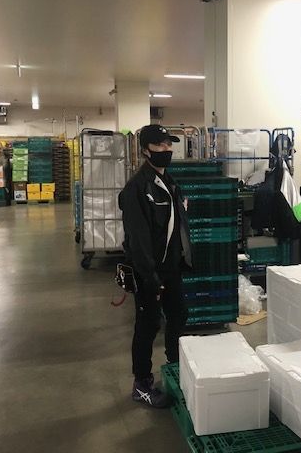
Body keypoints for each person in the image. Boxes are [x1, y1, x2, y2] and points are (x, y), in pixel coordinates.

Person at [119, 124, 192, 408]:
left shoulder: (169, 183)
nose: (167, 150)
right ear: (145, 151)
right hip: (149, 272)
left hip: (172, 268)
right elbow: (138, 240)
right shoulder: (137, 188)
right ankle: (142, 383)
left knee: (179, 315)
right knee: (148, 325)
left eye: (169, 145)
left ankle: (175, 366)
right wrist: (150, 277)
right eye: (160, 145)